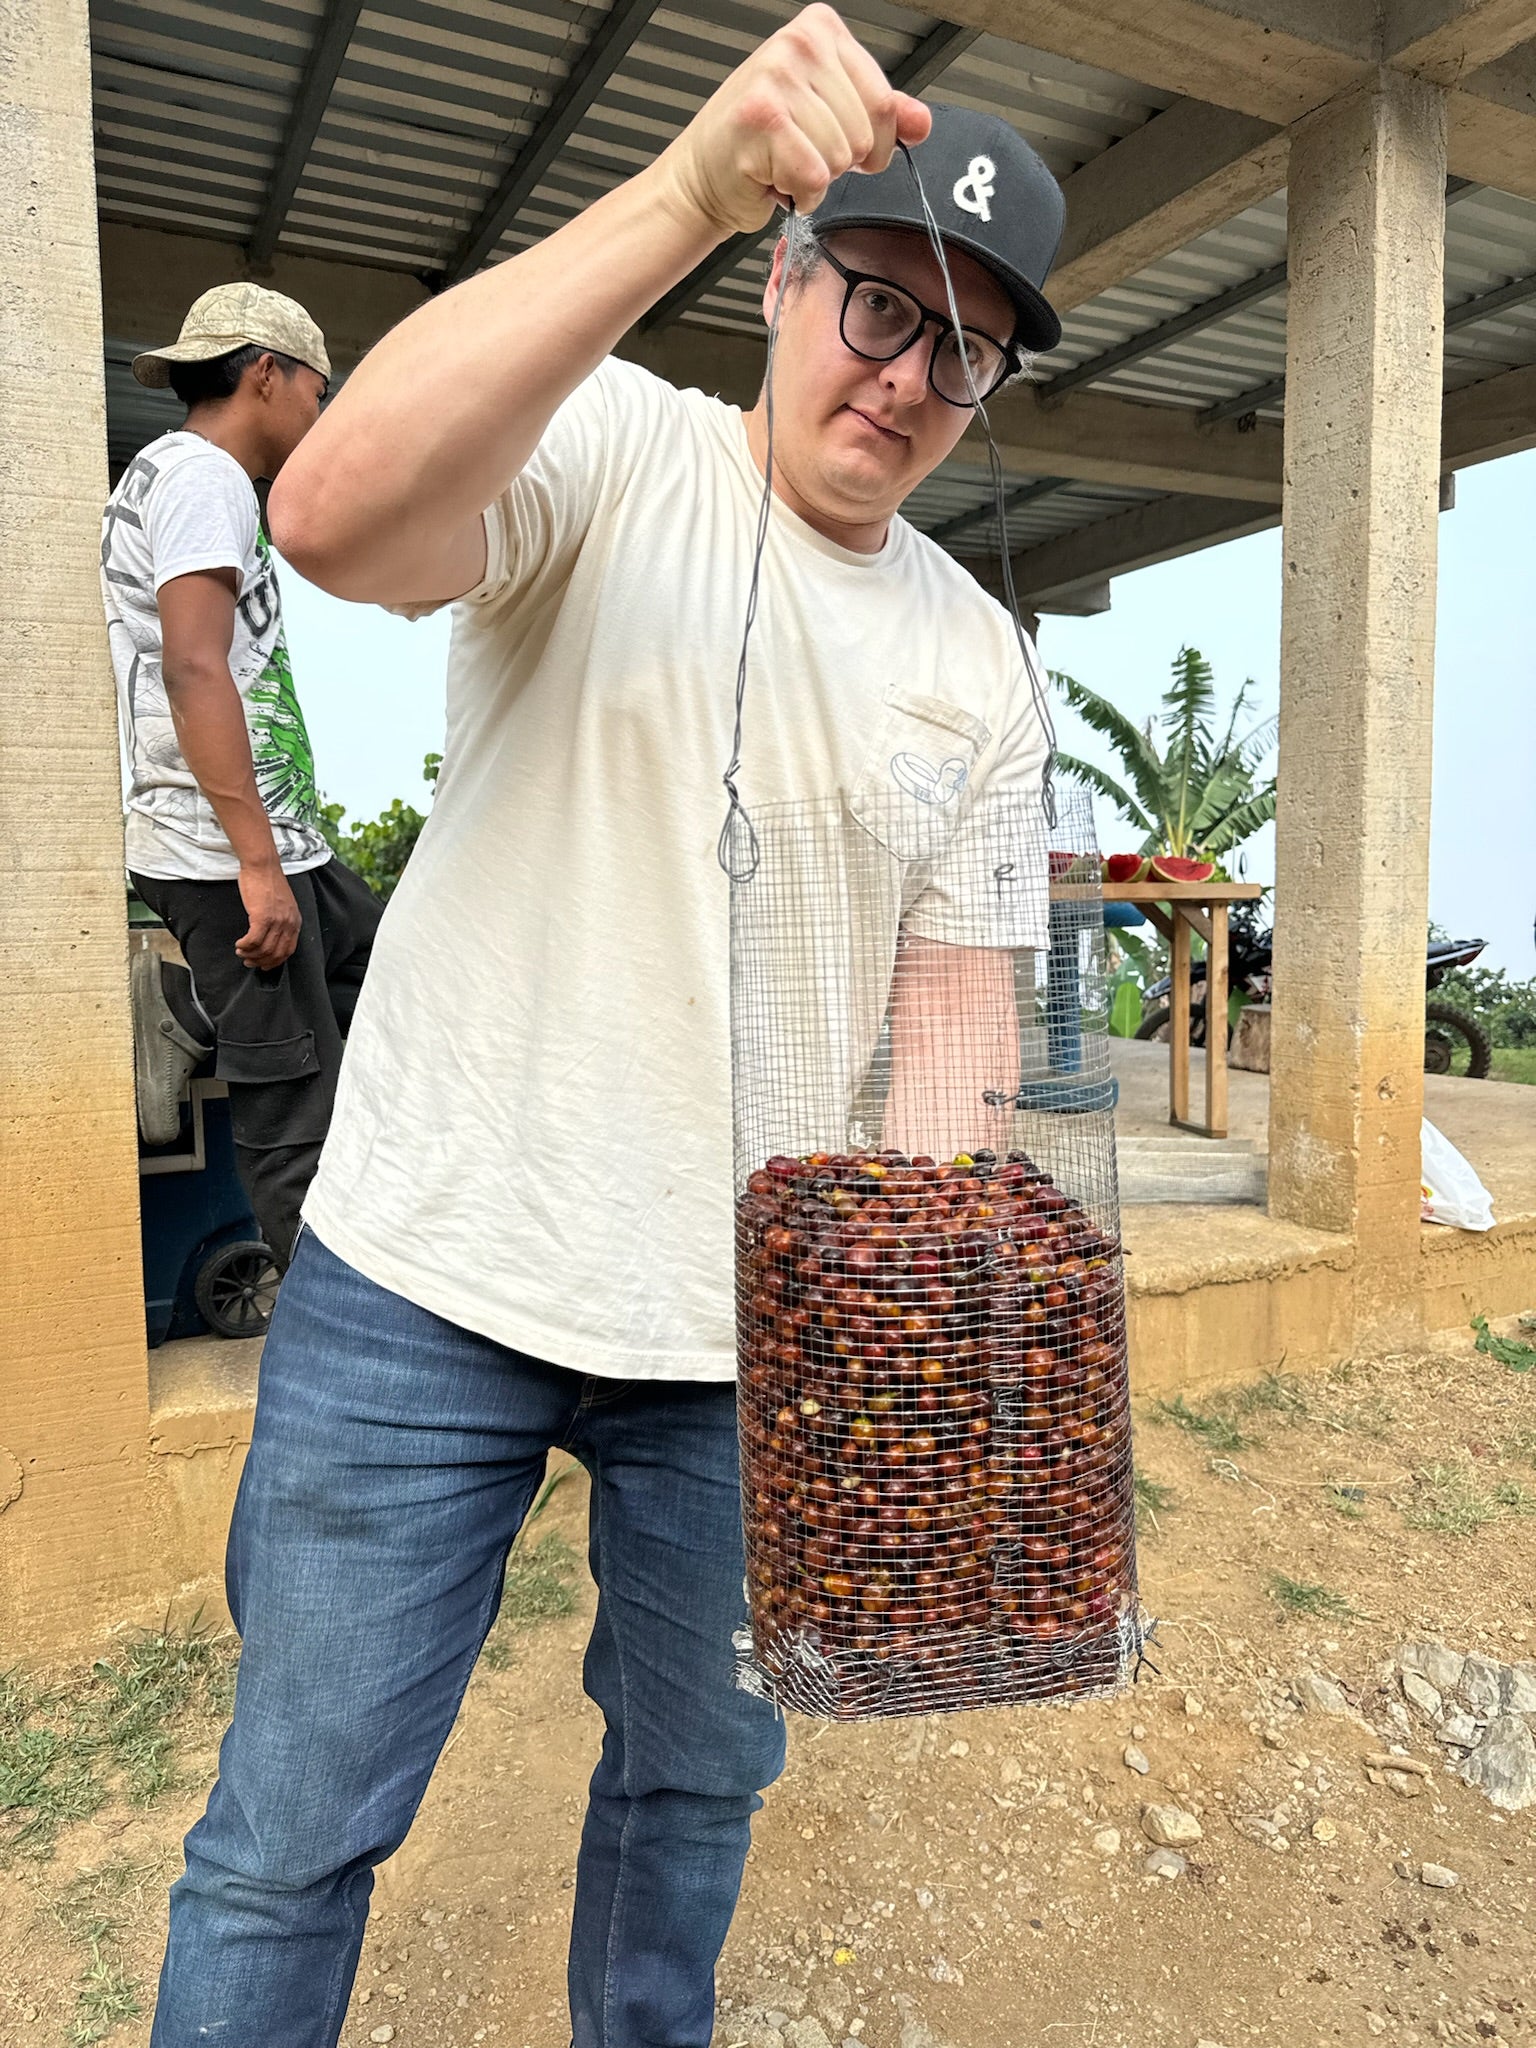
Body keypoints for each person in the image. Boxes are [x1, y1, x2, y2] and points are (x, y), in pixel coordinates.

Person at [149, 11, 1065, 2045]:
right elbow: (334, 518)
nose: (908, 376)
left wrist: (903, 1334)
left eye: (966, 351)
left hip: (740, 1346)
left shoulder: (982, 665)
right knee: (287, 1827)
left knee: (691, 1803)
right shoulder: (615, 449)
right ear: (785, 271)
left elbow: (954, 1014)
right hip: (425, 1278)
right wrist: (682, 183)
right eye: (879, 301)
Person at [102, 283, 383, 1267]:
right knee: (290, 1108)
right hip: (224, 855)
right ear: (266, 372)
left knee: (398, 972)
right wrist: (255, 866)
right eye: (317, 389)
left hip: (277, 842)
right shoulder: (199, 476)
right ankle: (337, 1348)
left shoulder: (202, 482)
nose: (318, 413)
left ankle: (185, 1009)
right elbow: (192, 663)